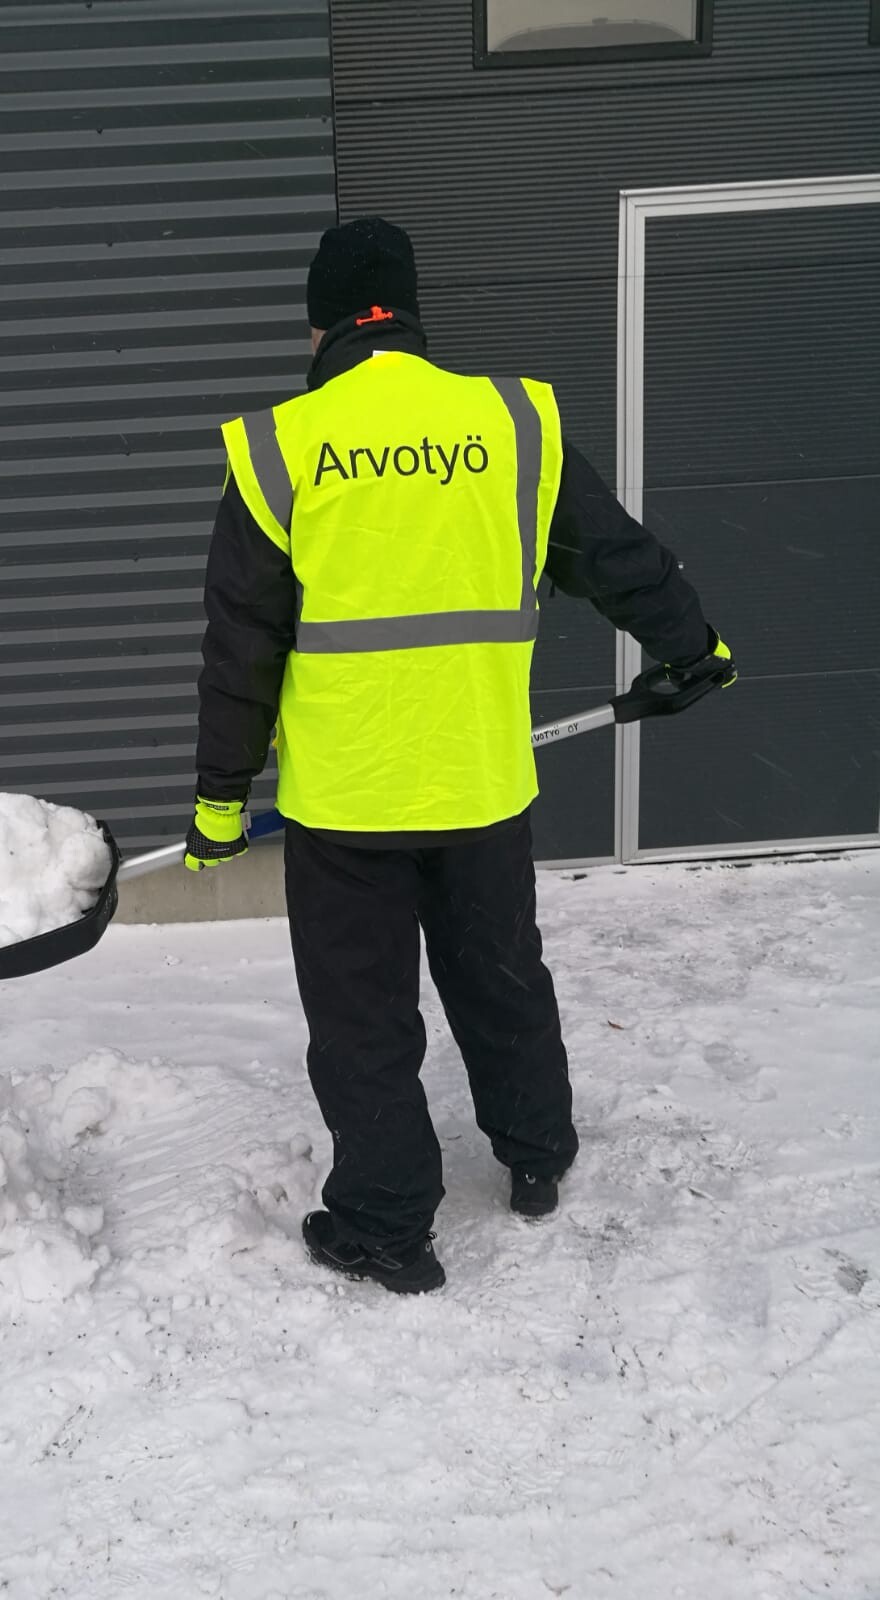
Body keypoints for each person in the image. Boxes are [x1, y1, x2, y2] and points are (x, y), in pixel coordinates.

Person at [184, 217, 734, 1295]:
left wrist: (218, 802)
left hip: (349, 803)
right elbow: (613, 555)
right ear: (411, 311)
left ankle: (388, 1226)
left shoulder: (281, 448)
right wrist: (692, 645)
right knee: (498, 975)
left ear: (321, 326)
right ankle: (536, 1154)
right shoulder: (510, 424)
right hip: (480, 780)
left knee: (364, 1018)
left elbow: (241, 646)